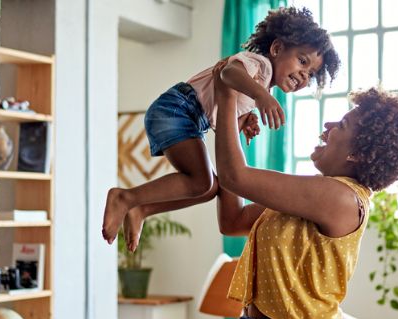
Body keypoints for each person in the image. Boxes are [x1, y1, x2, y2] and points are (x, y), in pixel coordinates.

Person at [212, 63, 398, 319]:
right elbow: (233, 221)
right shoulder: (312, 195)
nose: (328, 125)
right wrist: (232, 130)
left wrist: (226, 95)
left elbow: (234, 176)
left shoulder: (340, 197)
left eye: (342, 124)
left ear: (357, 153)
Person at [102, 7, 340, 251]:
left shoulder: (262, 84)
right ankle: (126, 197)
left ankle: (143, 208)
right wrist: (259, 97)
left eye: (311, 74)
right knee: (201, 181)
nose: (303, 75)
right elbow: (228, 73)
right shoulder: (260, 65)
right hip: (178, 109)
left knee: (207, 189)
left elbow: (225, 113)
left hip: (188, 118)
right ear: (277, 48)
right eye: (302, 61)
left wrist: (245, 119)